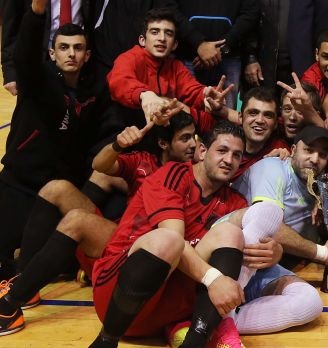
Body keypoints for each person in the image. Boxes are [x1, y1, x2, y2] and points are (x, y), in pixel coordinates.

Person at [86, 122, 286, 348]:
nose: (229, 160)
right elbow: (174, 240)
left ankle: (195, 341)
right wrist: (214, 279)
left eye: (236, 155)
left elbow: (258, 228)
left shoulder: (233, 201)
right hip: (115, 295)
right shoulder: (173, 174)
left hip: (166, 308)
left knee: (230, 233)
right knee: (167, 240)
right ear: (202, 151)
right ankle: (105, 341)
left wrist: (275, 251)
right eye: (222, 150)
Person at [0, 113, 197, 335]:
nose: (193, 144)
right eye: (185, 138)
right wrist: (118, 145)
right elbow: (99, 165)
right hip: (122, 237)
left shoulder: (196, 172)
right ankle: (24, 280)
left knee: (77, 221)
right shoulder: (143, 162)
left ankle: (11, 305)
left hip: (147, 251)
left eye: (194, 137)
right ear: (163, 143)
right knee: (56, 188)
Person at [0, 0, 103, 282]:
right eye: (64, 47)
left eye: (78, 48)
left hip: (56, 192)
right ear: (52, 52)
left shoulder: (92, 92)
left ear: (87, 55)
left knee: (55, 265)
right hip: (19, 183)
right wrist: (37, 11)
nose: (71, 54)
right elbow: (24, 57)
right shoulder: (38, 80)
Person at [235, 125, 328, 270]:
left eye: (322, 155)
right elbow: (267, 224)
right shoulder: (272, 168)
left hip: (279, 258)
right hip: (238, 253)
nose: (315, 159)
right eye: (308, 150)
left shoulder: (317, 184)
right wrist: (324, 252)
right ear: (293, 150)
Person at [106, 8, 229, 124]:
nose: (162, 38)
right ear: (142, 40)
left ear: (174, 45)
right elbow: (119, 81)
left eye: (168, 33)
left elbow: (192, 90)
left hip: (162, 128)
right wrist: (144, 94)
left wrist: (207, 95)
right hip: (125, 126)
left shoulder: (175, 66)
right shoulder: (129, 58)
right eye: (155, 32)